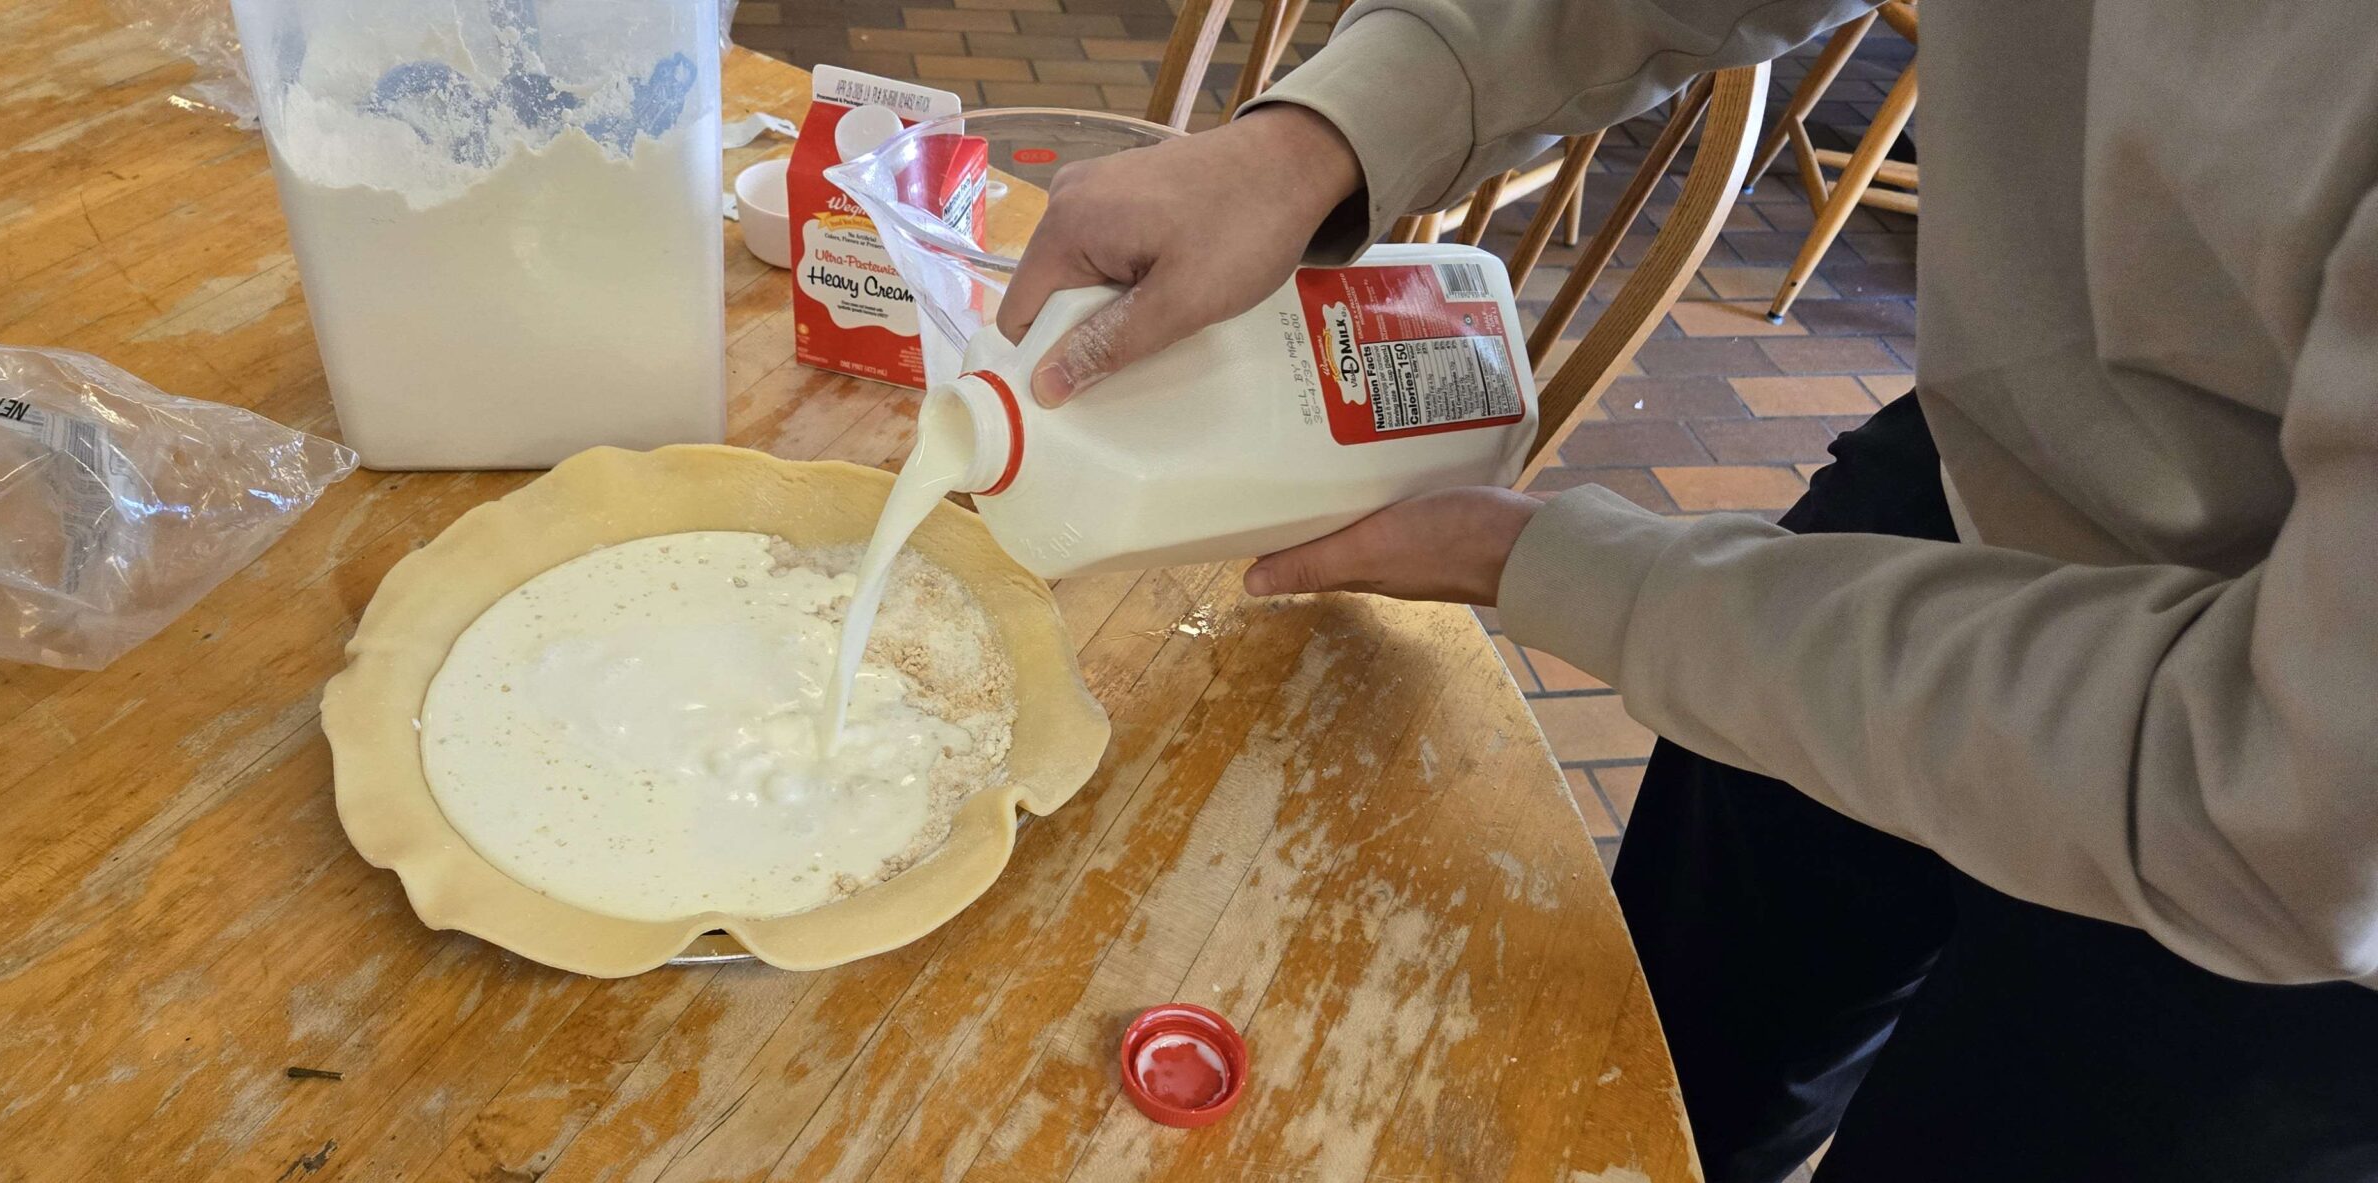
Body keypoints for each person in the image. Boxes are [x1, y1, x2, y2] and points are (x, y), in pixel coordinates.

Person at [998, 2, 2378, 1180]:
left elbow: (2290, 808)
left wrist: (1561, 570)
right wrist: (1329, 129)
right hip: (1984, 463)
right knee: (1663, 1063)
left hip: (2287, 901)